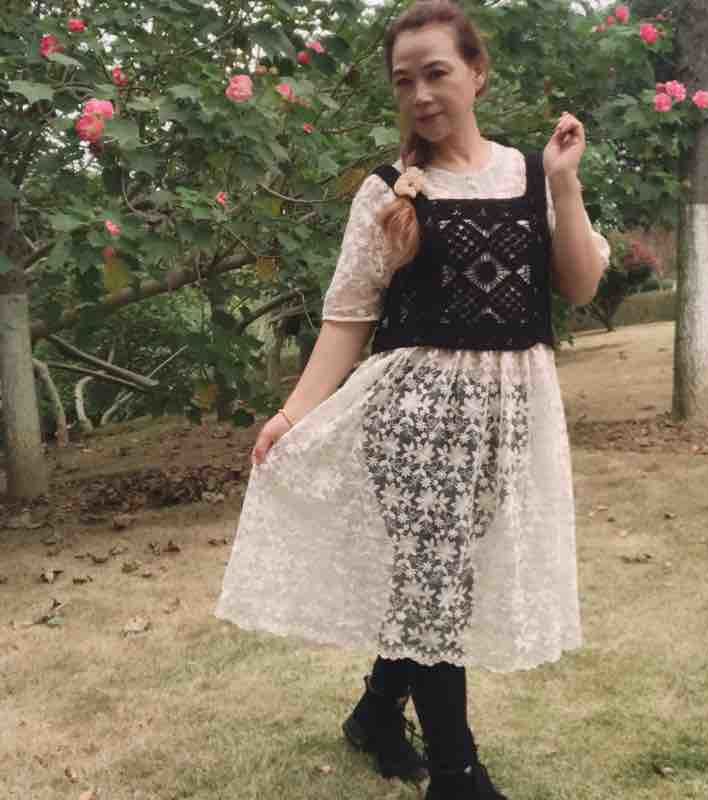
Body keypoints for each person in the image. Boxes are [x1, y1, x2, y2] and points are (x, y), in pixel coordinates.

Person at [215, 1, 610, 797]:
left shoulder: (532, 175)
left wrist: (565, 185)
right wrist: (292, 415)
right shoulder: (386, 192)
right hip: (414, 420)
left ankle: (374, 713)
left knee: (435, 579)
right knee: (435, 582)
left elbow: (579, 285)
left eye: (437, 73)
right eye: (405, 81)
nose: (421, 94)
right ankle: (457, 773)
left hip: (507, 420)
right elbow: (347, 319)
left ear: (477, 74)